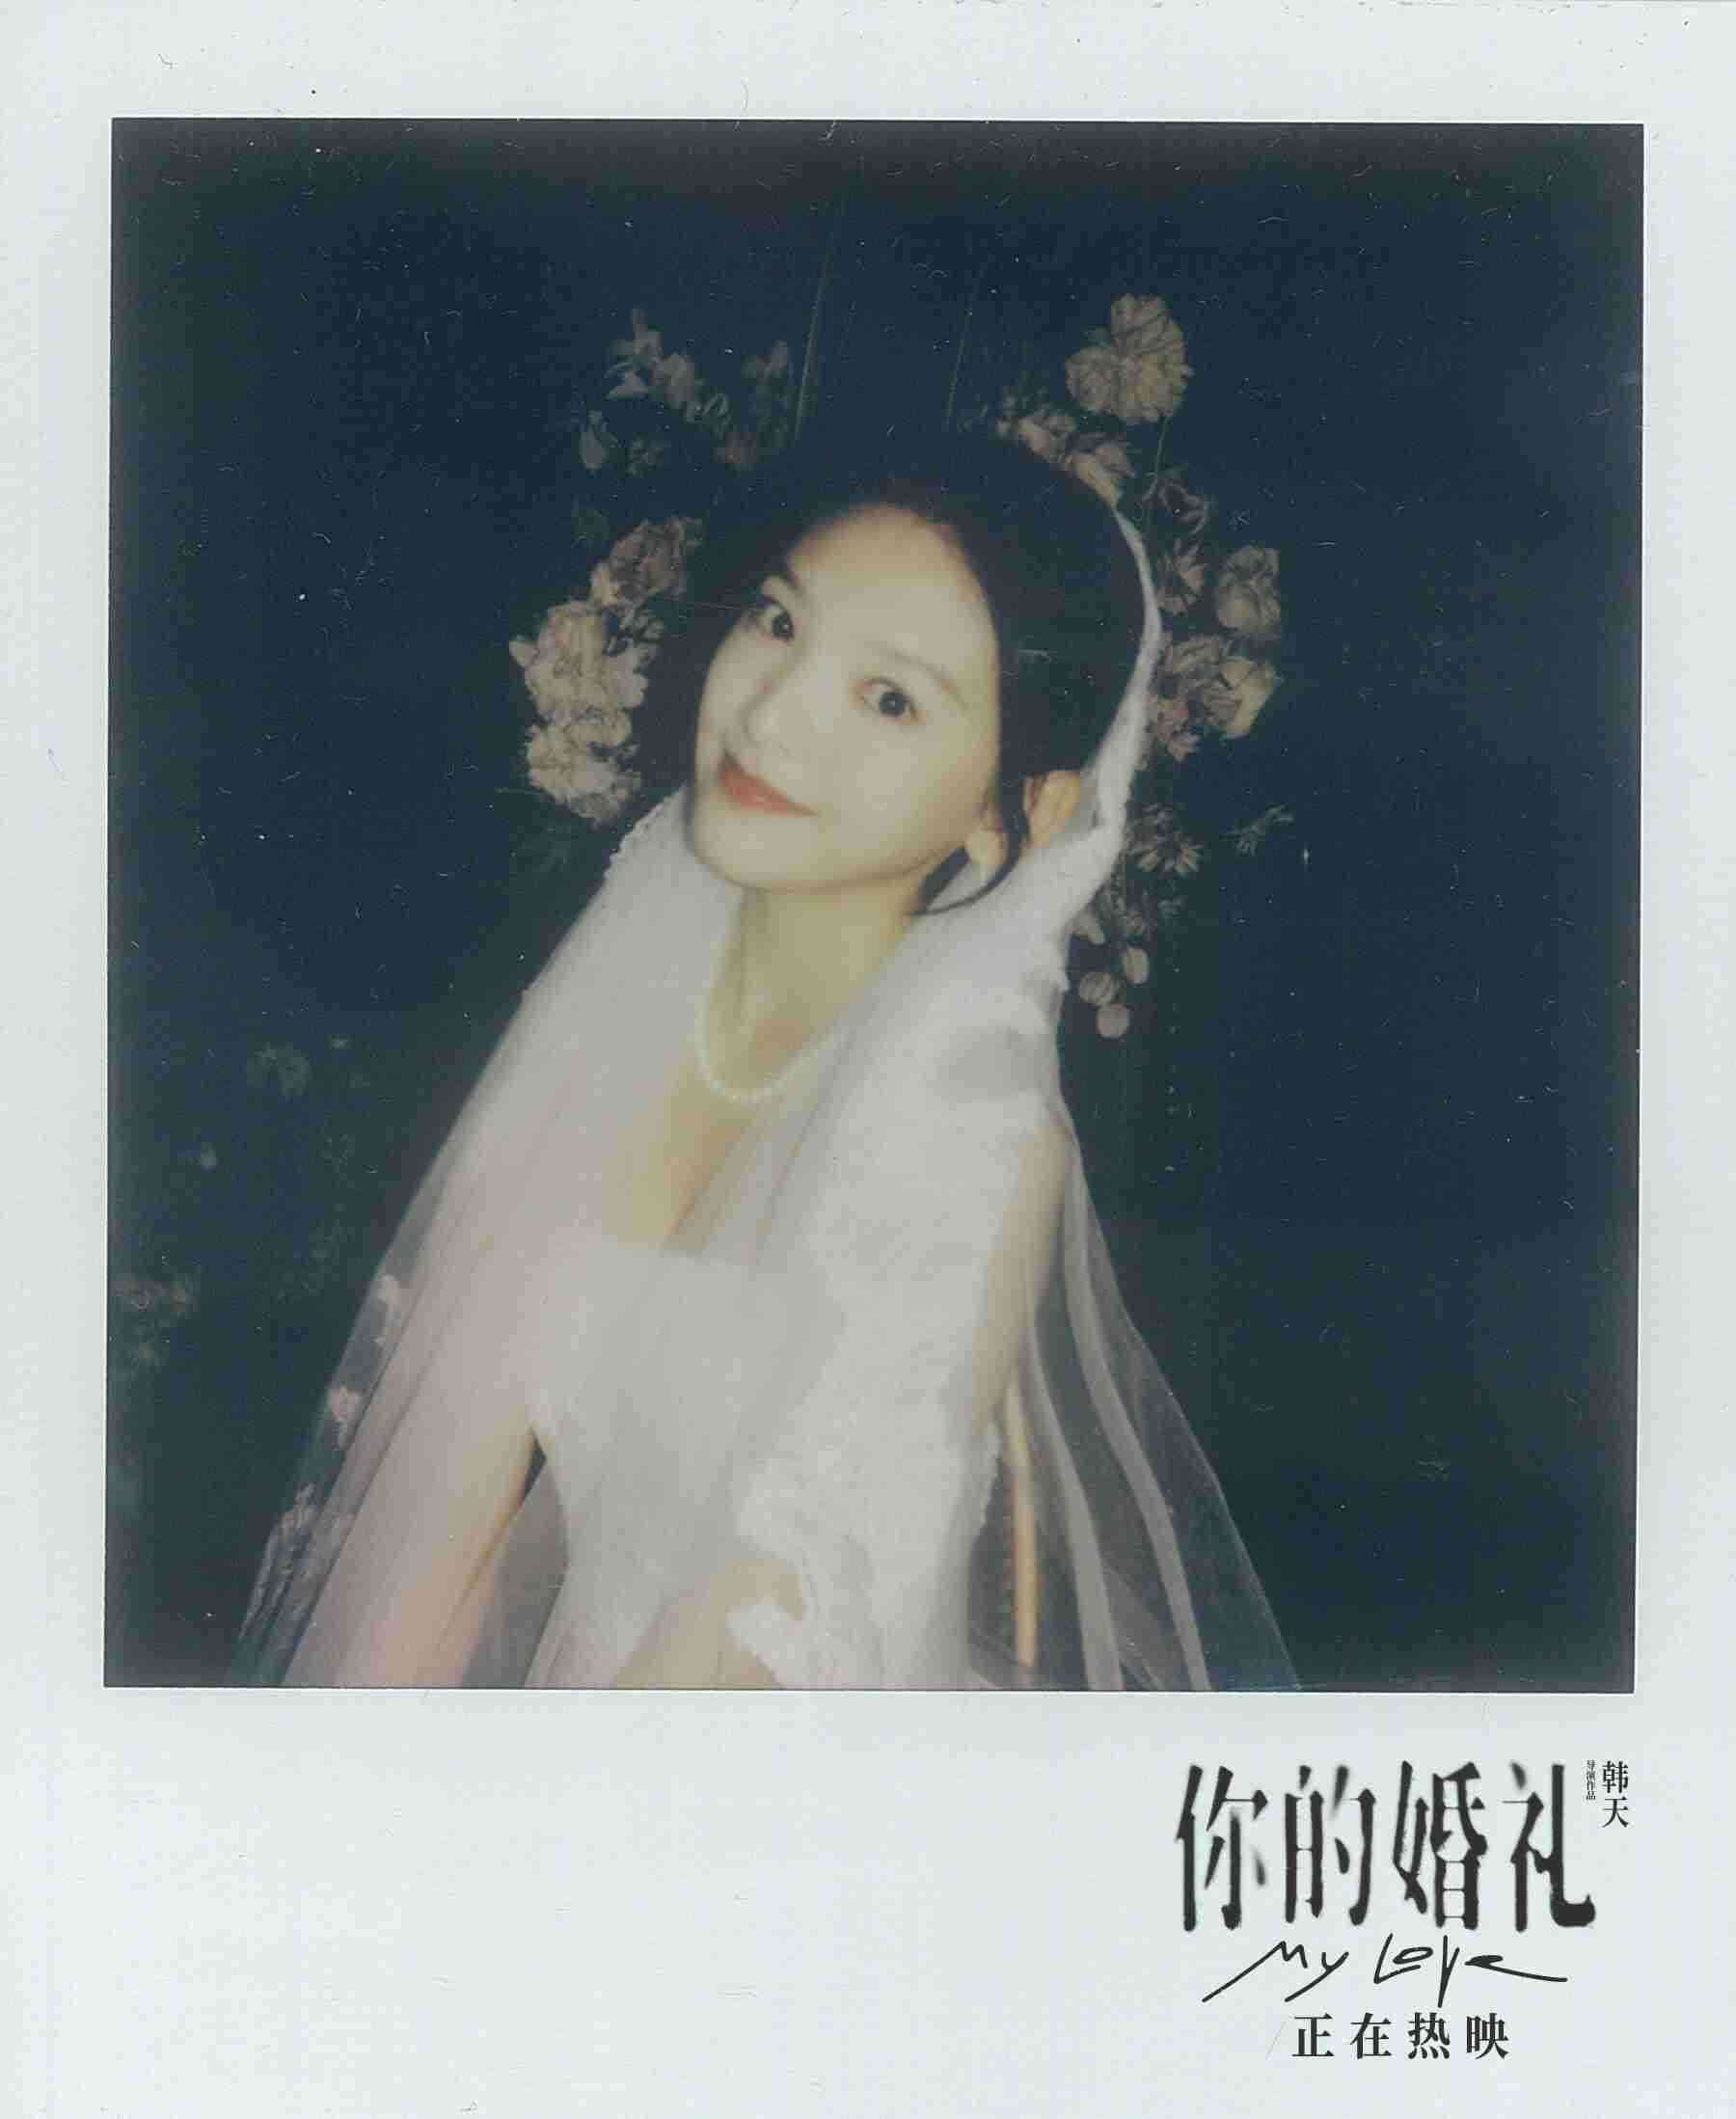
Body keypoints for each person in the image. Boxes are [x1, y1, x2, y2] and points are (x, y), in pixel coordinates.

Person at [233, 429, 1292, 1690]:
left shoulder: (972, 1134)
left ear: (1022, 809)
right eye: (780, 622)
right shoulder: (646, 949)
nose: (775, 712)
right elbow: (453, 1463)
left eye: (890, 699)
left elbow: (763, 1625)